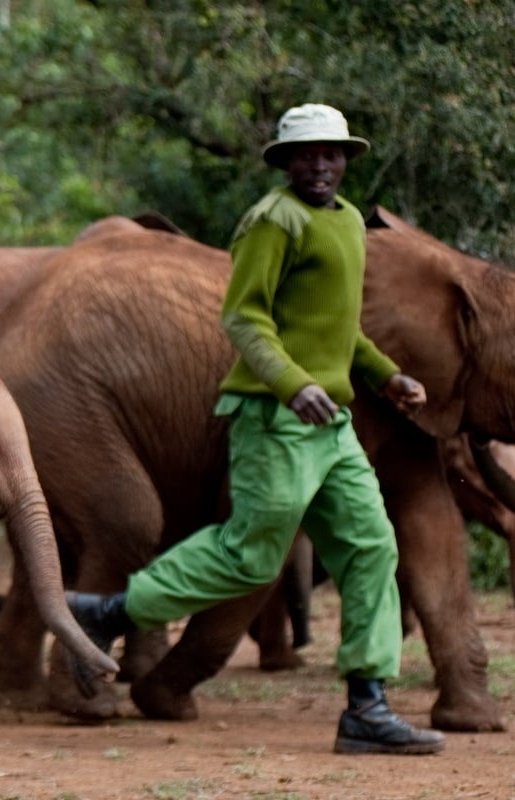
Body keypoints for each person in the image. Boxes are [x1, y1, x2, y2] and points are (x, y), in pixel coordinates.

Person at [66, 103, 446, 755]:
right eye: (305, 154)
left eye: (330, 153)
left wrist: (387, 377)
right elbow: (244, 319)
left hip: (333, 425)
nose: (319, 164)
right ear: (285, 161)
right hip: (276, 418)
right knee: (251, 555)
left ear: (346, 159)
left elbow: (337, 326)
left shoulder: (351, 222)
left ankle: (366, 706)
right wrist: (290, 384)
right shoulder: (272, 222)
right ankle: (107, 614)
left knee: (372, 546)